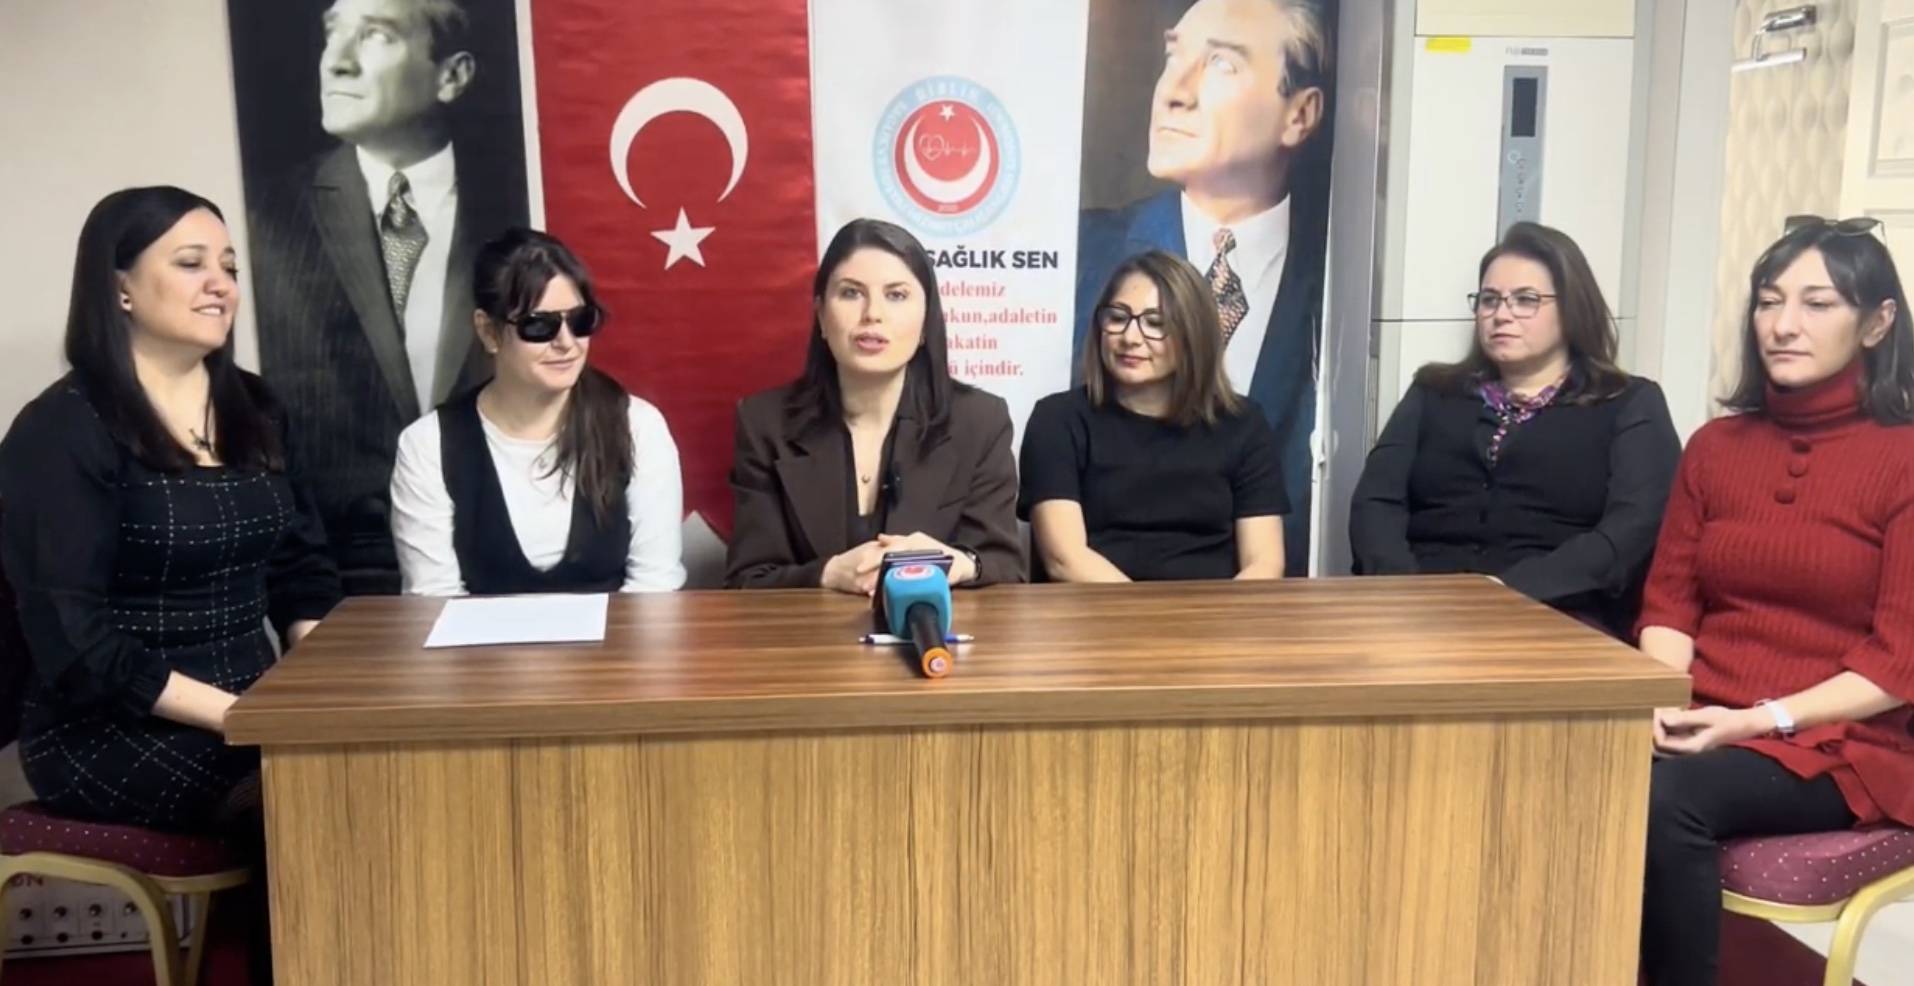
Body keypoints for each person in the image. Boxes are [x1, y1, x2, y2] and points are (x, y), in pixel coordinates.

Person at [0, 187, 339, 833]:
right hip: (112, 727)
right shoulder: (60, 429)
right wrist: (241, 717)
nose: (221, 285)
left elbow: (301, 569)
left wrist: (313, 689)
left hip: (256, 707)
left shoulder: (257, 407)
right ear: (119, 287)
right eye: (191, 264)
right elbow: (74, 642)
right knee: (319, 805)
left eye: (229, 267)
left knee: (392, 773)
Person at [1636, 218, 1914, 986]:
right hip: (1704, 717)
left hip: (1837, 744)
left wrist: (1755, 721)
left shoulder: (1904, 457)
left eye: (1817, 303)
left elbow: (1896, 664)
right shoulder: (1715, 448)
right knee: (1549, 759)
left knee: (1666, 799)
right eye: (1769, 300)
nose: (1783, 324)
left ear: (1877, 322)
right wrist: (1665, 700)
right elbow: (1670, 604)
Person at [245, 0, 526, 594]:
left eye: (375, 35)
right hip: (347, 572)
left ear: (453, 75)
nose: (336, 62)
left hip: (504, 561)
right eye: (333, 33)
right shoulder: (266, 217)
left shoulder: (515, 202)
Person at [1075, 0, 1334, 575]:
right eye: (1174, 56)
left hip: (1281, 602)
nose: (1173, 92)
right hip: (1114, 594)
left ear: (1300, 114)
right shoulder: (1085, 255)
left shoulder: (1343, 271)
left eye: (1221, 63)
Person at [1348, 222, 1680, 636]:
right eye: (1489, 300)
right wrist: (1405, 590)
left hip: (1558, 613)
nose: (1501, 315)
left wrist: (1508, 593)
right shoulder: (1433, 391)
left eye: (1526, 300)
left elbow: (1630, 532)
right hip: (1418, 609)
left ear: (1572, 308)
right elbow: (1376, 502)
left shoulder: (1629, 403)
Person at [726, 218, 1025, 593]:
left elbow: (1004, 565)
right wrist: (828, 574)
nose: (872, 314)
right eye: (851, 293)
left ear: (926, 321)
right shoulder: (765, 423)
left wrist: (957, 564)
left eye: (896, 295)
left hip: (934, 626)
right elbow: (747, 580)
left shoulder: (979, 421)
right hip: (809, 630)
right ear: (821, 315)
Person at [390, 229, 685, 594]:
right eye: (539, 325)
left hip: (618, 633)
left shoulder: (637, 427)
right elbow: (433, 601)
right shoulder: (427, 446)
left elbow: (655, 588)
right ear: (489, 332)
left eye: (580, 321)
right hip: (475, 635)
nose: (566, 343)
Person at [1022, 250, 1285, 581]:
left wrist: (1215, 614)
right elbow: (1065, 558)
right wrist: (1148, 613)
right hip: (1096, 608)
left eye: (1155, 323)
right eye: (1117, 317)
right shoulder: (1058, 420)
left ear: (1194, 334)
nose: (1130, 338)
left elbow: (1264, 563)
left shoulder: (1243, 424)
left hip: (1217, 610)